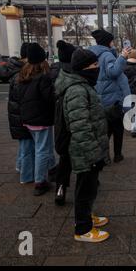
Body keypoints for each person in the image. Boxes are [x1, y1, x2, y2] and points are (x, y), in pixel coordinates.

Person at [54, 48, 111, 243]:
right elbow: (80, 127)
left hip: (88, 149)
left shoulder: (83, 85)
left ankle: (87, 217)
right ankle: (83, 228)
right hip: (85, 151)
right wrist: (94, 154)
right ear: (84, 67)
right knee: (84, 189)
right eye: (95, 65)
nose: (97, 69)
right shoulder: (77, 90)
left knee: (89, 187)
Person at [17, 43, 55, 196]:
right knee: (42, 150)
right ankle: (40, 181)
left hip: (28, 120)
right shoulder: (43, 78)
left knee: (36, 148)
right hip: (41, 120)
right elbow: (50, 98)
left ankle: (45, 171)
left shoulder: (23, 77)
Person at [89, 29, 130, 163]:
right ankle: (117, 155)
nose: (113, 43)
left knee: (104, 130)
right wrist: (122, 57)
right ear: (108, 42)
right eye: (112, 41)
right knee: (117, 128)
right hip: (112, 99)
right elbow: (113, 72)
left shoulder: (94, 54)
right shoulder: (107, 55)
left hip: (100, 97)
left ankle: (104, 155)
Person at [52, 41, 76, 205]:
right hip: (73, 115)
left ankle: (60, 188)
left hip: (59, 118)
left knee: (64, 156)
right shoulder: (74, 71)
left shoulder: (52, 70)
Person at [7, 42, 30, 173]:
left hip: (17, 114)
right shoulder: (21, 74)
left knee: (24, 143)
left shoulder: (16, 70)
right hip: (21, 116)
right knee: (25, 143)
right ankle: (24, 170)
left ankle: (20, 165)